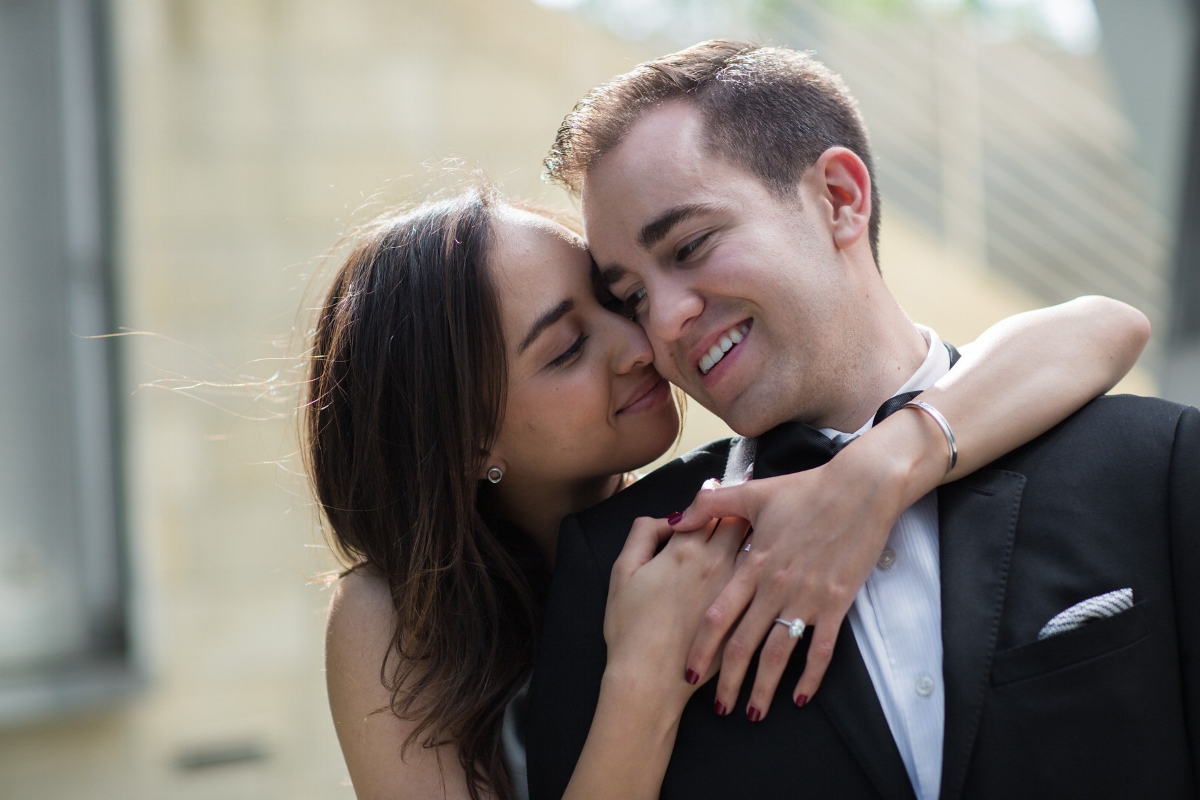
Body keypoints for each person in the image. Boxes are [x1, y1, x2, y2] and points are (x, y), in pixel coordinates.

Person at [525, 41, 1199, 800]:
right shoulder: (620, 573)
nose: (668, 322)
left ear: (841, 199)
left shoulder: (1152, 461)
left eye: (690, 245)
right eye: (633, 297)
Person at [310, 190, 1146, 800]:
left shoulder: (715, 503)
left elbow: (1103, 326)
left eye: (617, 301)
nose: (644, 342)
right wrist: (644, 673)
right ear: (464, 441)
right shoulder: (392, 616)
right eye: (566, 350)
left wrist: (879, 468)